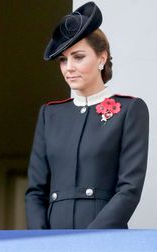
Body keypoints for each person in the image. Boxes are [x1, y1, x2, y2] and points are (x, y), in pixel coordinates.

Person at [25, 2, 149, 229]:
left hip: (104, 240)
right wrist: (40, 241)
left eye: (78, 57)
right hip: (53, 243)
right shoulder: (50, 114)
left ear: (102, 58)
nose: (68, 67)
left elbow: (129, 188)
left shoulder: (130, 110)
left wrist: (91, 240)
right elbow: (35, 191)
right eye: (63, 59)